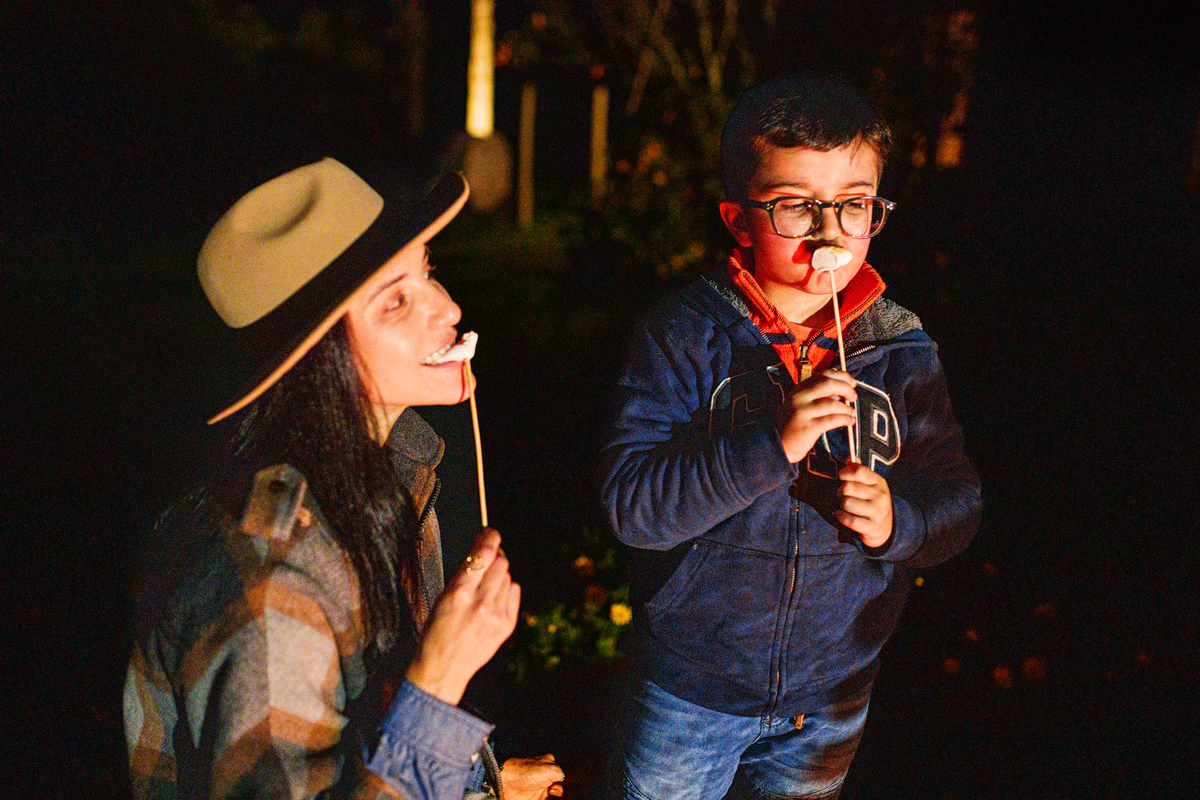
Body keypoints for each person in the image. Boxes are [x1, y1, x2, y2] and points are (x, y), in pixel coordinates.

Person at [123, 158, 565, 800]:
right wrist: (439, 679)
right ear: (319, 358)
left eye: (429, 272)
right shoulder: (274, 579)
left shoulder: (390, 477)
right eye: (396, 301)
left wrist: (478, 785)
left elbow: (360, 742)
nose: (449, 307)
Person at [600, 76, 982, 799]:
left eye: (853, 204)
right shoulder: (682, 336)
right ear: (739, 220)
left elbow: (957, 498)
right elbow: (632, 507)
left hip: (831, 696)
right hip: (690, 692)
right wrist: (771, 445)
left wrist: (901, 521)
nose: (829, 229)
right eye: (796, 206)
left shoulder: (902, 349)